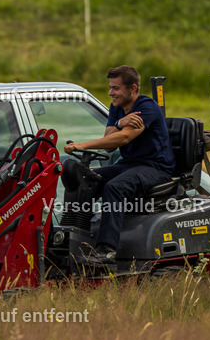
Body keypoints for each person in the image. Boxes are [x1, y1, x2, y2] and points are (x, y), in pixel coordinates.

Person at [64, 66, 174, 266]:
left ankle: (107, 250)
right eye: (110, 87)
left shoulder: (146, 107)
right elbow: (109, 143)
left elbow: (123, 138)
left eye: (115, 88)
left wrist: (81, 145)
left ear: (132, 88)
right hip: (129, 164)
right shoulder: (117, 107)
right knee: (85, 180)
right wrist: (121, 121)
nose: (110, 93)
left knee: (115, 187)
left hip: (155, 168)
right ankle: (73, 239)